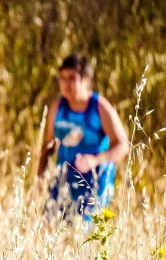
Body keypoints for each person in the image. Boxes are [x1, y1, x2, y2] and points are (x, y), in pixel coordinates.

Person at [37, 54, 129, 219]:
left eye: (72, 78)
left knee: (82, 235)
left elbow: (122, 146)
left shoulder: (100, 108)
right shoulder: (58, 108)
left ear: (86, 80)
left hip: (94, 182)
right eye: (62, 78)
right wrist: (40, 176)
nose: (66, 84)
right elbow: (48, 144)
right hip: (64, 178)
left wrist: (95, 160)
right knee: (50, 226)